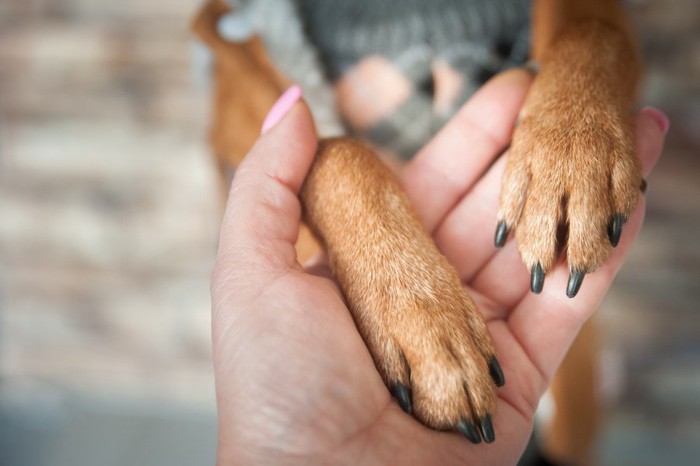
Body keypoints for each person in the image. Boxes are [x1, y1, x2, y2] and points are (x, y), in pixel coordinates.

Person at [209, 69, 668, 465]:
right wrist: (349, 202)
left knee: (570, 426)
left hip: (532, 313)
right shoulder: (245, 36)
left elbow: (600, 31)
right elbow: (298, 231)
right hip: (471, 325)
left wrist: (586, 77)